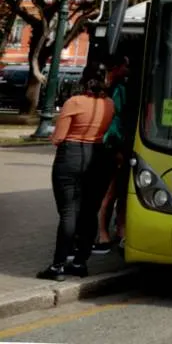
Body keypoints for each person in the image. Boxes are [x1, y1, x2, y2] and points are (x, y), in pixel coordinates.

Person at [38, 67, 114, 281]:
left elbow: (58, 138)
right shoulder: (109, 104)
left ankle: (57, 266)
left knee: (69, 211)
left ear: (83, 80)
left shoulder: (74, 102)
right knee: (90, 211)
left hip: (71, 154)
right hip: (98, 156)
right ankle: (80, 262)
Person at [95, 57, 131, 254]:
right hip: (113, 145)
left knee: (119, 191)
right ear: (116, 67)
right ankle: (103, 233)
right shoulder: (115, 90)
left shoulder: (115, 87)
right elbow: (115, 120)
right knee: (110, 192)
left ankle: (118, 230)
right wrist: (116, 147)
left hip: (115, 144)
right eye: (125, 64)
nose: (128, 68)